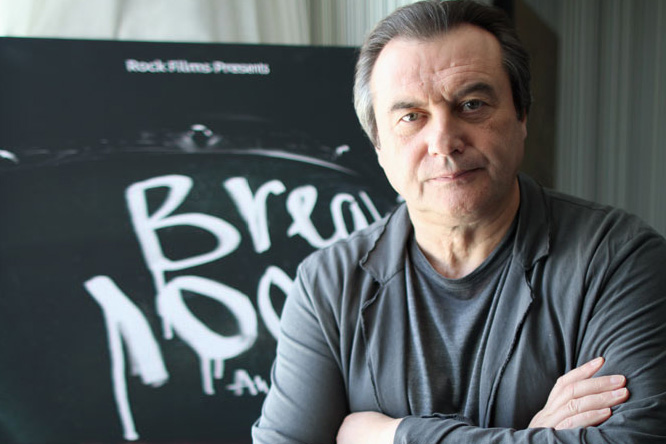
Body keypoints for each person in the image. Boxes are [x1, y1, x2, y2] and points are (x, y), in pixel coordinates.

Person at [252, 0, 666, 442]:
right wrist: (534, 436)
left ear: (521, 115)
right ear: (378, 145)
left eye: (471, 104)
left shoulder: (619, 260)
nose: (444, 141)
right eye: (411, 117)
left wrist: (392, 435)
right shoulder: (328, 285)